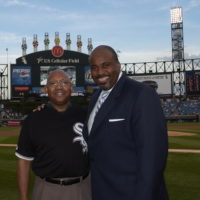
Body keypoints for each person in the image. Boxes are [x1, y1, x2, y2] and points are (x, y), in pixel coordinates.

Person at [83, 45, 169, 200]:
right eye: (94, 68)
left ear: (118, 65)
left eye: (106, 65)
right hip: (102, 192)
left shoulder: (141, 94)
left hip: (131, 194)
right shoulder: (95, 98)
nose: (100, 72)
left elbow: (152, 159)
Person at [15, 69, 91, 200]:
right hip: (47, 190)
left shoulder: (85, 115)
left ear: (71, 87)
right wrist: (23, 197)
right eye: (53, 83)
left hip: (82, 188)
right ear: (45, 89)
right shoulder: (33, 120)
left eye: (64, 82)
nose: (59, 87)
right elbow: (24, 162)